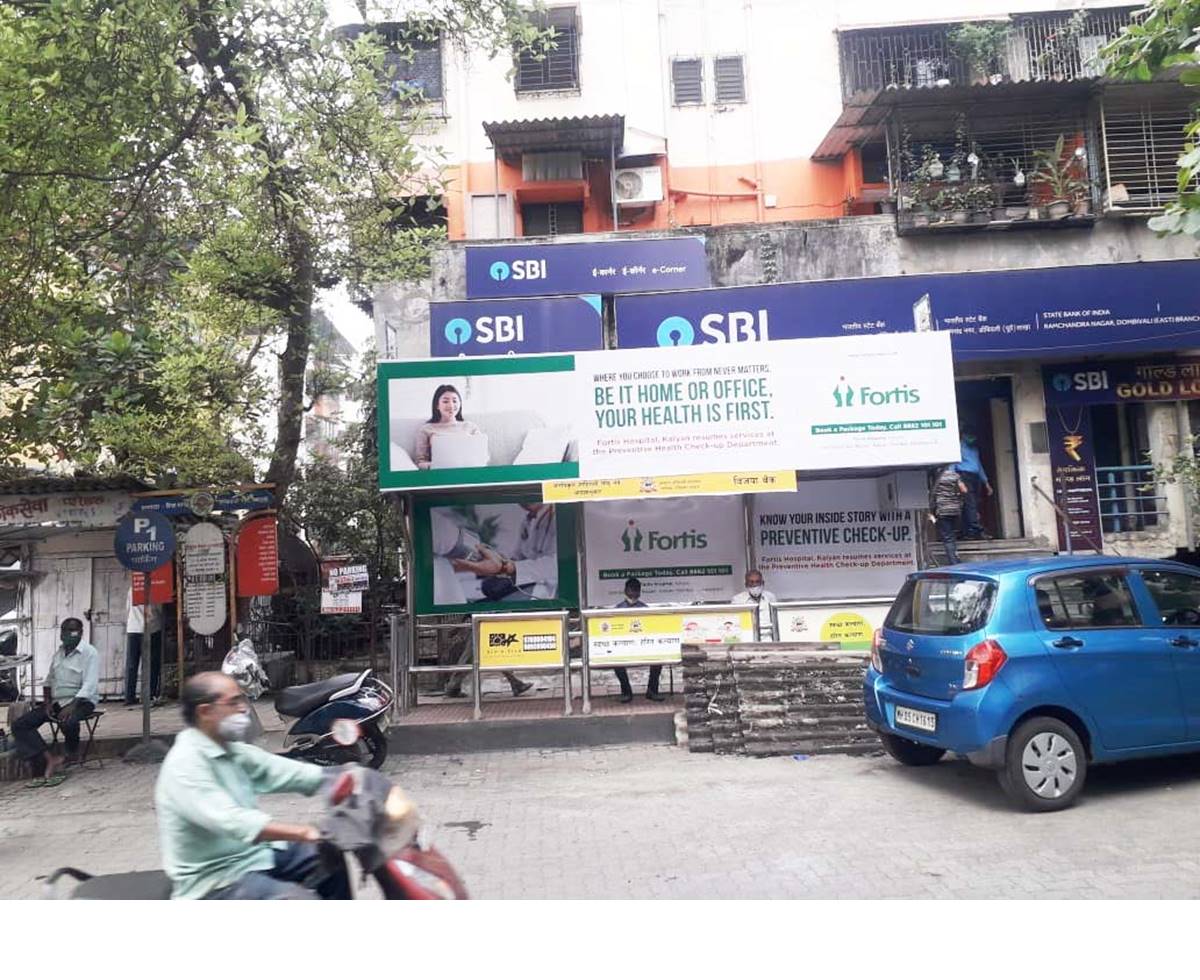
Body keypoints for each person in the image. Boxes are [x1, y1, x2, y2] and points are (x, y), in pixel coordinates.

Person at [155, 672, 352, 900]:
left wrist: (339, 778)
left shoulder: (229, 748)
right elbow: (233, 821)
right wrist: (305, 832)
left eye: (242, 700)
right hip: (215, 879)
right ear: (205, 712)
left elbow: (277, 770)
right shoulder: (185, 764)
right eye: (233, 702)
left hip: (254, 856)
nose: (243, 709)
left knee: (329, 859)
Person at [12, 618, 98, 785]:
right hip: (57, 701)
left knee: (68, 721)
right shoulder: (59, 654)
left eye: (71, 632)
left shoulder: (90, 653)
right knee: (20, 725)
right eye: (64, 632)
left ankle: (70, 754)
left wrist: (72, 705)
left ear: (80, 633)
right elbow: (49, 681)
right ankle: (49, 758)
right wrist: (47, 703)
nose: (67, 636)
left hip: (81, 700)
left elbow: (90, 685)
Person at [611, 577, 663, 703]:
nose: (633, 593)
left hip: (643, 646)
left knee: (660, 658)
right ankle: (626, 691)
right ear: (625, 591)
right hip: (624, 646)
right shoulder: (617, 609)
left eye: (636, 590)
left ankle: (652, 691)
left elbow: (651, 629)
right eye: (631, 590)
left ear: (640, 592)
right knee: (614, 660)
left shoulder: (645, 608)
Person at [415, 384, 482, 469]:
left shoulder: (471, 427)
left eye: (454, 401)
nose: (451, 405)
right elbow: (420, 462)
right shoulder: (426, 429)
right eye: (445, 401)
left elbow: (483, 455)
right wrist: (433, 466)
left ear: (460, 404)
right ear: (437, 405)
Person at [124, 585, 162, 706]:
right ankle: (149, 695)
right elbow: (158, 609)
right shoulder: (155, 588)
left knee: (131, 664)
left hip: (133, 628)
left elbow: (127, 608)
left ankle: (129, 697)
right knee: (151, 663)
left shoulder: (132, 588)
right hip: (152, 629)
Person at [955, 428, 993, 540]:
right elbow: (952, 465)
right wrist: (958, 481)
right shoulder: (958, 448)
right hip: (964, 476)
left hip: (975, 478)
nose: (972, 438)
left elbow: (979, 466)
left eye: (973, 435)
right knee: (970, 504)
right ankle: (976, 530)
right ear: (963, 435)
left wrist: (986, 483)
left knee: (972, 504)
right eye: (969, 435)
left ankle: (967, 531)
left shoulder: (974, 449)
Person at [929, 465, 968, 565]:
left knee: (948, 538)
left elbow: (932, 494)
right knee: (953, 535)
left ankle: (953, 562)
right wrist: (958, 498)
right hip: (955, 510)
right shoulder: (955, 475)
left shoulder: (936, 477)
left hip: (942, 510)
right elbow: (964, 490)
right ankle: (955, 557)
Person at [732, 570, 778, 642]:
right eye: (751, 582)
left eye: (757, 582)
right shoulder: (737, 600)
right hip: (746, 639)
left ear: (762, 583)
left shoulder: (770, 597)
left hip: (768, 638)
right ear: (746, 584)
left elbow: (776, 621)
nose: (754, 585)